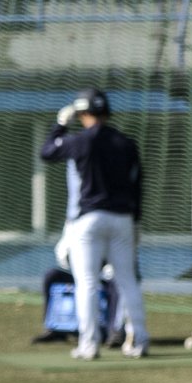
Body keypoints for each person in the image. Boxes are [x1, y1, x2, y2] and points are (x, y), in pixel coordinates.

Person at [38, 89, 149, 360]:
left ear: (82, 114)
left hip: (88, 221)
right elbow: (137, 184)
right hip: (122, 219)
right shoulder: (126, 143)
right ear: (107, 112)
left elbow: (47, 152)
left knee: (87, 282)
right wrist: (136, 221)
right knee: (127, 281)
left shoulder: (80, 141)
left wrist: (60, 125)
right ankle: (139, 341)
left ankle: (89, 345)